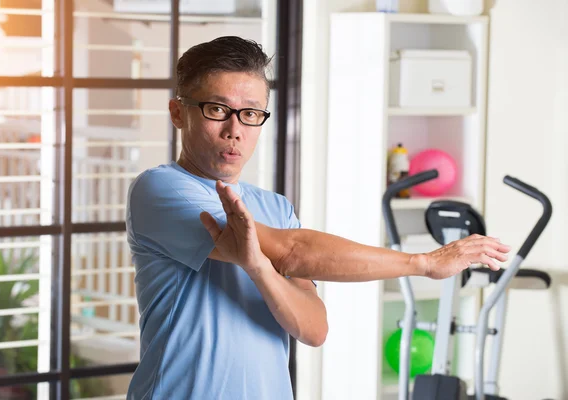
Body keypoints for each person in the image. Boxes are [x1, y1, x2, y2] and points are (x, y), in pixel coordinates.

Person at [125, 36, 510, 400]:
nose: (235, 130)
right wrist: (423, 263)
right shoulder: (160, 190)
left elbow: (313, 329)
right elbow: (293, 251)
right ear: (178, 112)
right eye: (217, 109)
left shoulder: (275, 207)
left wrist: (259, 268)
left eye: (250, 113)